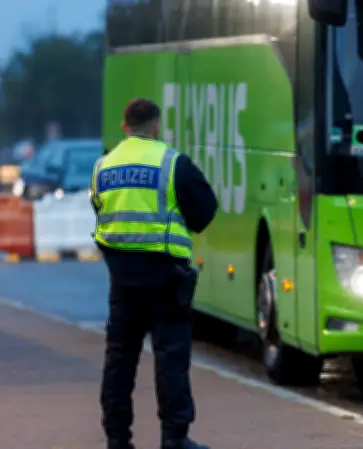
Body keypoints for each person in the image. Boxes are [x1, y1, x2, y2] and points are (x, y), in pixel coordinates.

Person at [91, 98, 218, 449]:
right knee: (171, 359)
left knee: (119, 362)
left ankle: (117, 439)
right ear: (157, 126)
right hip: (166, 278)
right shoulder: (171, 162)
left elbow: (100, 212)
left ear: (124, 126)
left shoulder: (103, 166)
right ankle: (174, 438)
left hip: (122, 279)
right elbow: (205, 211)